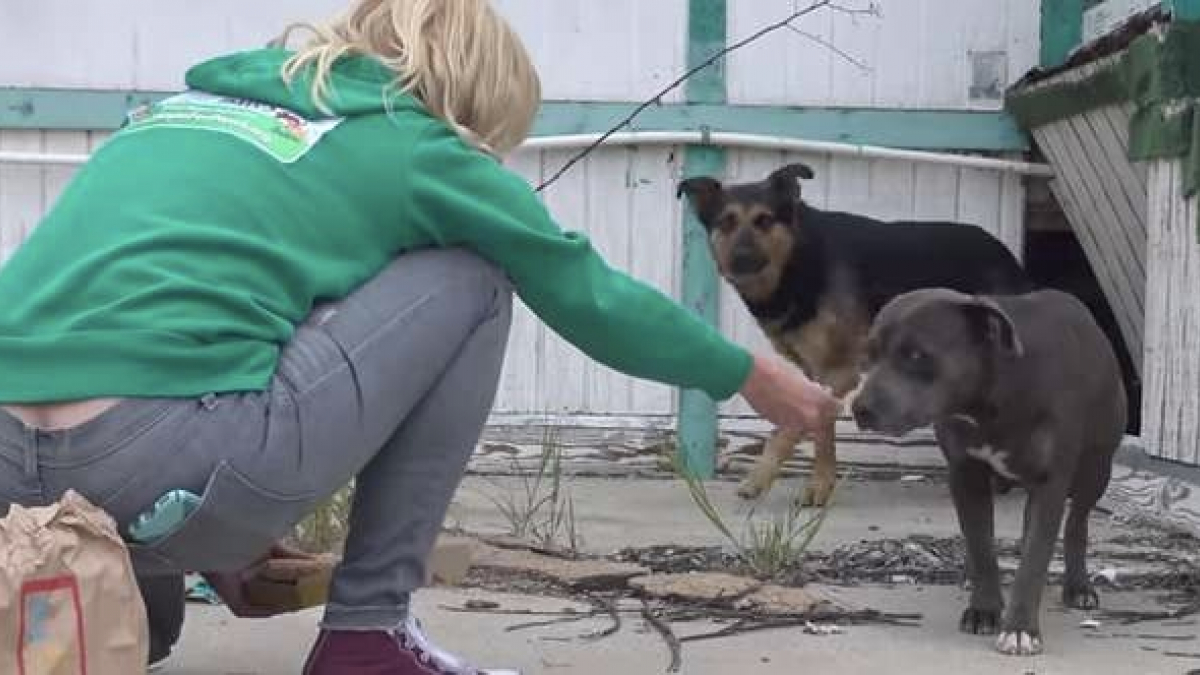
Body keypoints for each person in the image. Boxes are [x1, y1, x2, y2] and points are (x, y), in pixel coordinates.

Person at [0, 0, 837, 673]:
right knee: (472, 277)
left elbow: (183, 319)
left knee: (144, 627)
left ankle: (125, 585)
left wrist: (230, 540)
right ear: (467, 99)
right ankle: (368, 633)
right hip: (166, 464)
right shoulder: (414, 142)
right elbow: (589, 293)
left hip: (13, 475)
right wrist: (750, 375)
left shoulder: (174, 117)